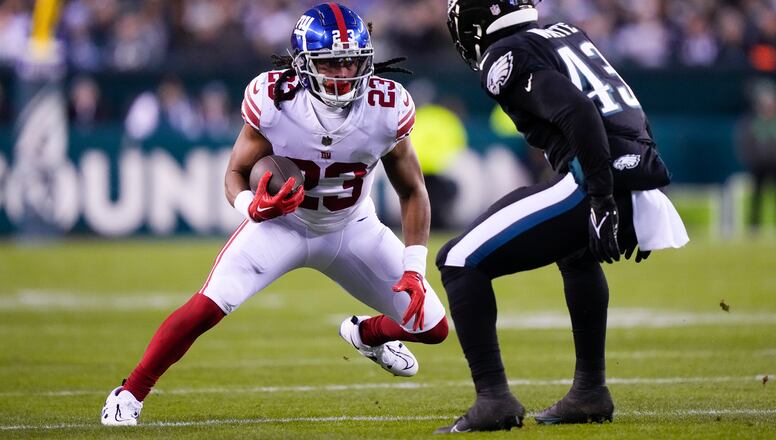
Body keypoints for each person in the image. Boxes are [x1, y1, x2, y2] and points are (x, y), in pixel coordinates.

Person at [100, 3, 448, 426]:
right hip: (281, 225)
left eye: (352, 61)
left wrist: (415, 268)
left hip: (353, 227)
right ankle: (129, 393)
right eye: (332, 63)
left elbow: (412, 189)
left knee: (433, 327)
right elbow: (234, 173)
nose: (344, 73)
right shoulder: (274, 99)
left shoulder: (386, 106)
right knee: (207, 307)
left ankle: (366, 335)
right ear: (303, 65)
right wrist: (253, 206)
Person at [437, 0, 689, 432]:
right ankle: (590, 390)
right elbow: (625, 112)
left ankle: (493, 399)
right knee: (576, 256)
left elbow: (579, 111)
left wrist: (603, 198)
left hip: (594, 179)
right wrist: (639, 187)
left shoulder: (505, 55)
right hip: (630, 168)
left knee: (459, 261)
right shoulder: (566, 33)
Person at [736, 78, 776, 231]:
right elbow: (746, 144)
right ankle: (754, 226)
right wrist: (751, 159)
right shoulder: (753, 122)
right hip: (760, 166)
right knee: (757, 196)